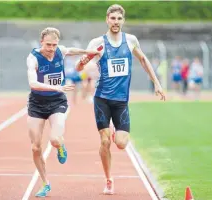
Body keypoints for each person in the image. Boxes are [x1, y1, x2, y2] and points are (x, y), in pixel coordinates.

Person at [75, 4, 165, 195]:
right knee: (105, 141)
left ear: (123, 20)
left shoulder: (130, 40)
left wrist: (156, 83)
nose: (115, 22)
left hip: (121, 101)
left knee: (122, 144)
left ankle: (116, 133)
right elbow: (78, 69)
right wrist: (82, 62)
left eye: (119, 19)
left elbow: (143, 60)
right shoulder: (97, 43)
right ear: (107, 19)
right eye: (112, 18)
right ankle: (108, 179)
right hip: (102, 99)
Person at [27, 27, 99, 198]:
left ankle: (60, 145)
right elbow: (32, 83)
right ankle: (45, 183)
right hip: (37, 103)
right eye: (48, 45)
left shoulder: (60, 50)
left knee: (54, 139)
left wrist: (88, 51)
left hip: (57, 102)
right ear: (41, 42)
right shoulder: (33, 58)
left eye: (54, 45)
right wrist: (57, 86)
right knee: (35, 147)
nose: (51, 48)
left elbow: (71, 50)